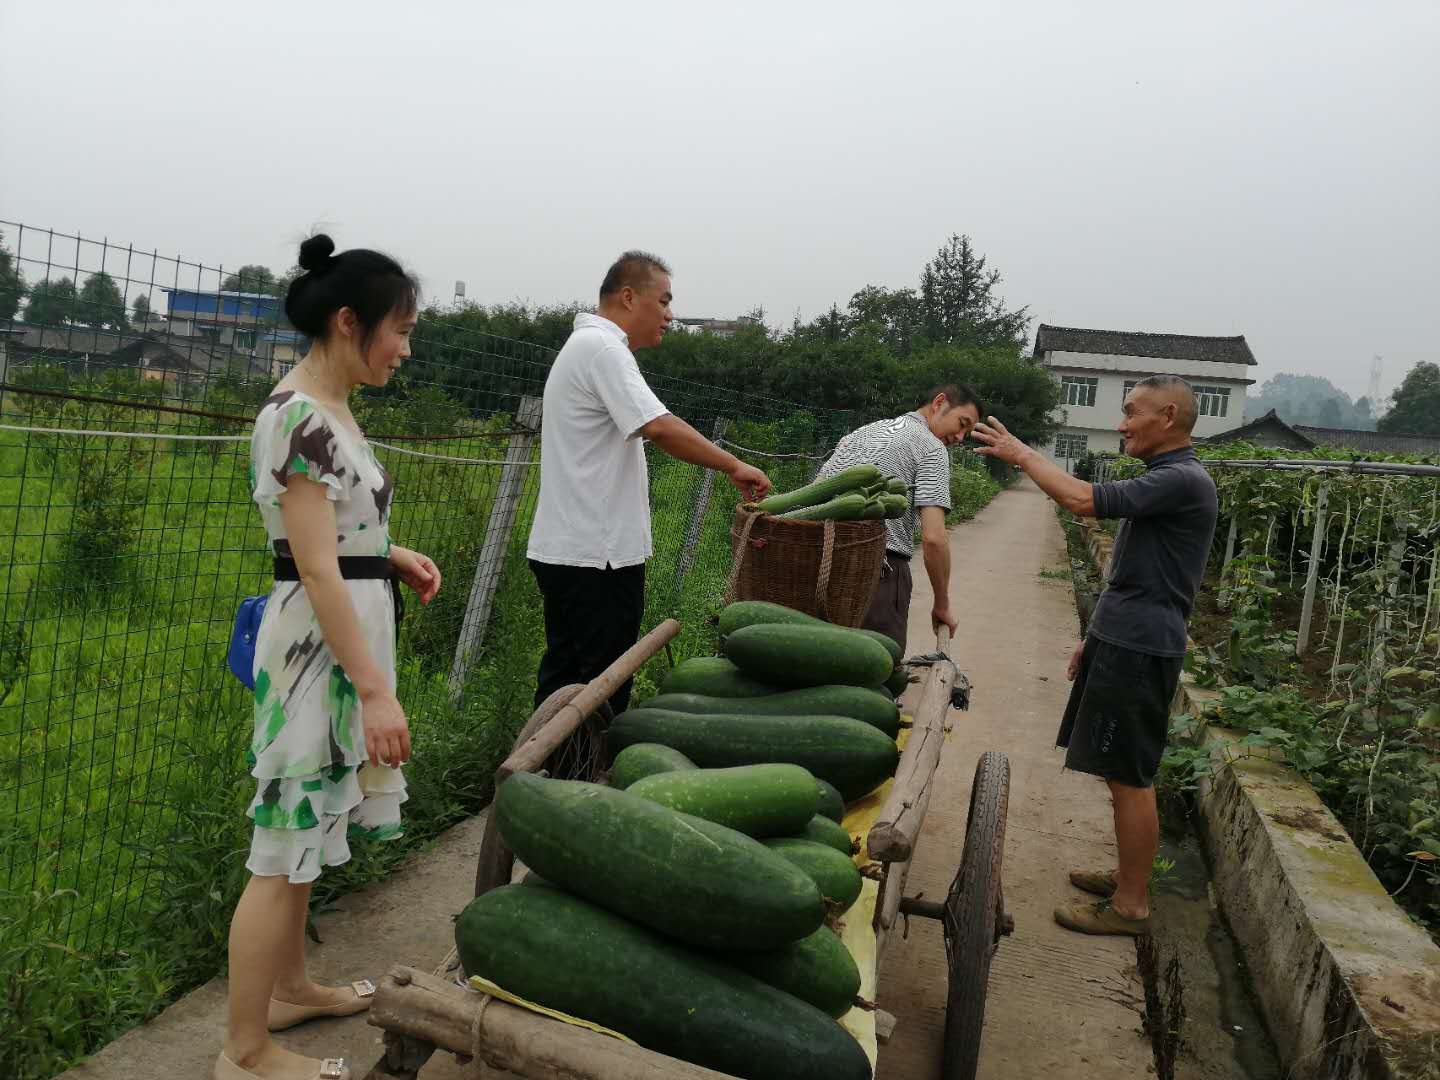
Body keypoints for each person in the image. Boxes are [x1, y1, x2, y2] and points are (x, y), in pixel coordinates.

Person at [219, 235, 442, 1080]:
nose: (406, 349)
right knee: (281, 845)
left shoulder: (333, 410)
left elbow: (334, 538)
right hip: (318, 656)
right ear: (349, 321)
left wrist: (391, 555)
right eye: (401, 329)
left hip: (337, 641)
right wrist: (376, 693)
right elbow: (310, 567)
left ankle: (290, 990)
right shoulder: (297, 417)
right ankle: (243, 1053)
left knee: (305, 832)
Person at [972, 375, 1217, 936]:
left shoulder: (1182, 480)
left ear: (1170, 415)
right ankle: (1126, 875)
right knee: (1117, 769)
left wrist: (1019, 453)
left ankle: (1130, 906)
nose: (1122, 422)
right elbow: (1138, 573)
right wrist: (1096, 635)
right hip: (1123, 637)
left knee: (1128, 774)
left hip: (1140, 646)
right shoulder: (1166, 478)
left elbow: (1082, 499)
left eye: (1131, 411)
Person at [527, 251, 771, 715]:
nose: (670, 315)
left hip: (577, 550)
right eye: (664, 301)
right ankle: (574, 780)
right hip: (594, 557)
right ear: (627, 296)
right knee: (598, 686)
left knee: (568, 677)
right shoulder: (603, 349)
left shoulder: (590, 347)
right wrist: (733, 465)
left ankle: (547, 774)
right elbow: (659, 425)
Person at [815, 385, 981, 655]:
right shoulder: (931, 447)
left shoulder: (864, 431)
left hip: (817, 559)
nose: (961, 437)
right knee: (876, 671)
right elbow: (934, 539)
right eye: (962, 424)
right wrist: (942, 603)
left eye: (967, 432)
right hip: (878, 570)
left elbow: (818, 487)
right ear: (939, 402)